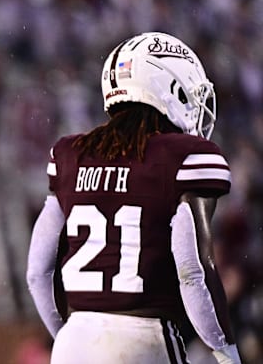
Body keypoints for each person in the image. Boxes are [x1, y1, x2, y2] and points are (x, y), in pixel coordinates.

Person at [26, 31, 241, 364]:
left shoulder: (71, 153)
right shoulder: (186, 157)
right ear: (170, 89)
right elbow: (192, 270)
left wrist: (68, 336)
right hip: (144, 339)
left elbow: (37, 272)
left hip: (74, 340)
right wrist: (226, 352)